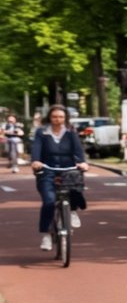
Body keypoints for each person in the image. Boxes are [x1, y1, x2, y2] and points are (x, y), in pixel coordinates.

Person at [29, 105, 88, 251]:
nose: (58, 120)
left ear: (65, 118)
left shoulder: (70, 132)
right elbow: (36, 147)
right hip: (47, 169)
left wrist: (82, 162)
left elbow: (77, 149)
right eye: (55, 116)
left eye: (61, 117)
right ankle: (46, 236)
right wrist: (36, 161)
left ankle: (73, 211)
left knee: (75, 188)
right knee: (49, 201)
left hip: (68, 169)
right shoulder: (42, 132)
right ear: (50, 117)